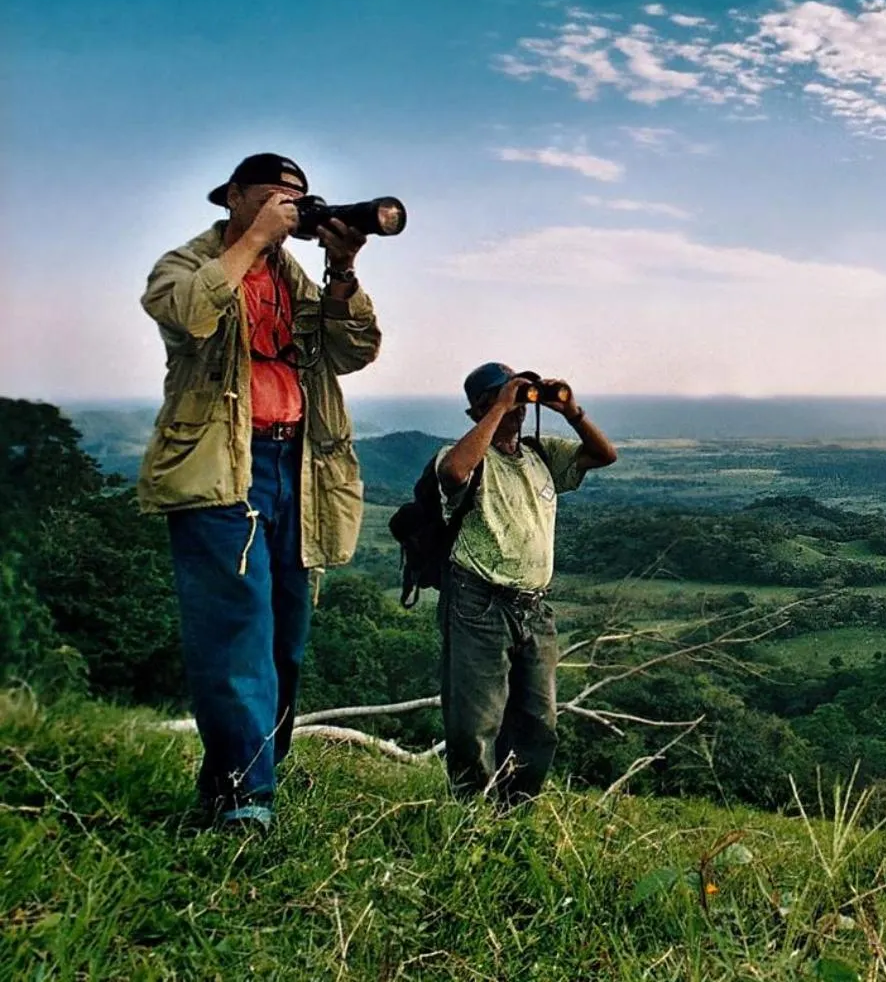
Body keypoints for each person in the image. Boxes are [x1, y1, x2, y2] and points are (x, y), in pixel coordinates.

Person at [138, 152, 382, 830]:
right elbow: (185, 316)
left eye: (297, 197)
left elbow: (351, 351)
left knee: (284, 636)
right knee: (234, 630)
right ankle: (249, 796)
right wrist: (251, 243)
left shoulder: (292, 279)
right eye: (273, 195)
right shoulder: (187, 265)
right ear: (234, 199)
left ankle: (238, 783)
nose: (287, 205)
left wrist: (342, 268)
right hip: (220, 463)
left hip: (297, 467)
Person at [435, 362, 617, 804]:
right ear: (476, 409)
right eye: (503, 398)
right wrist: (499, 409)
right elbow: (454, 474)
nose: (517, 407)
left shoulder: (539, 454)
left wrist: (570, 411)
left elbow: (604, 454)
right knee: (475, 722)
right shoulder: (460, 454)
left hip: (534, 606)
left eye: (519, 398)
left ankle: (515, 812)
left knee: (538, 722)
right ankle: (469, 816)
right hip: (477, 601)